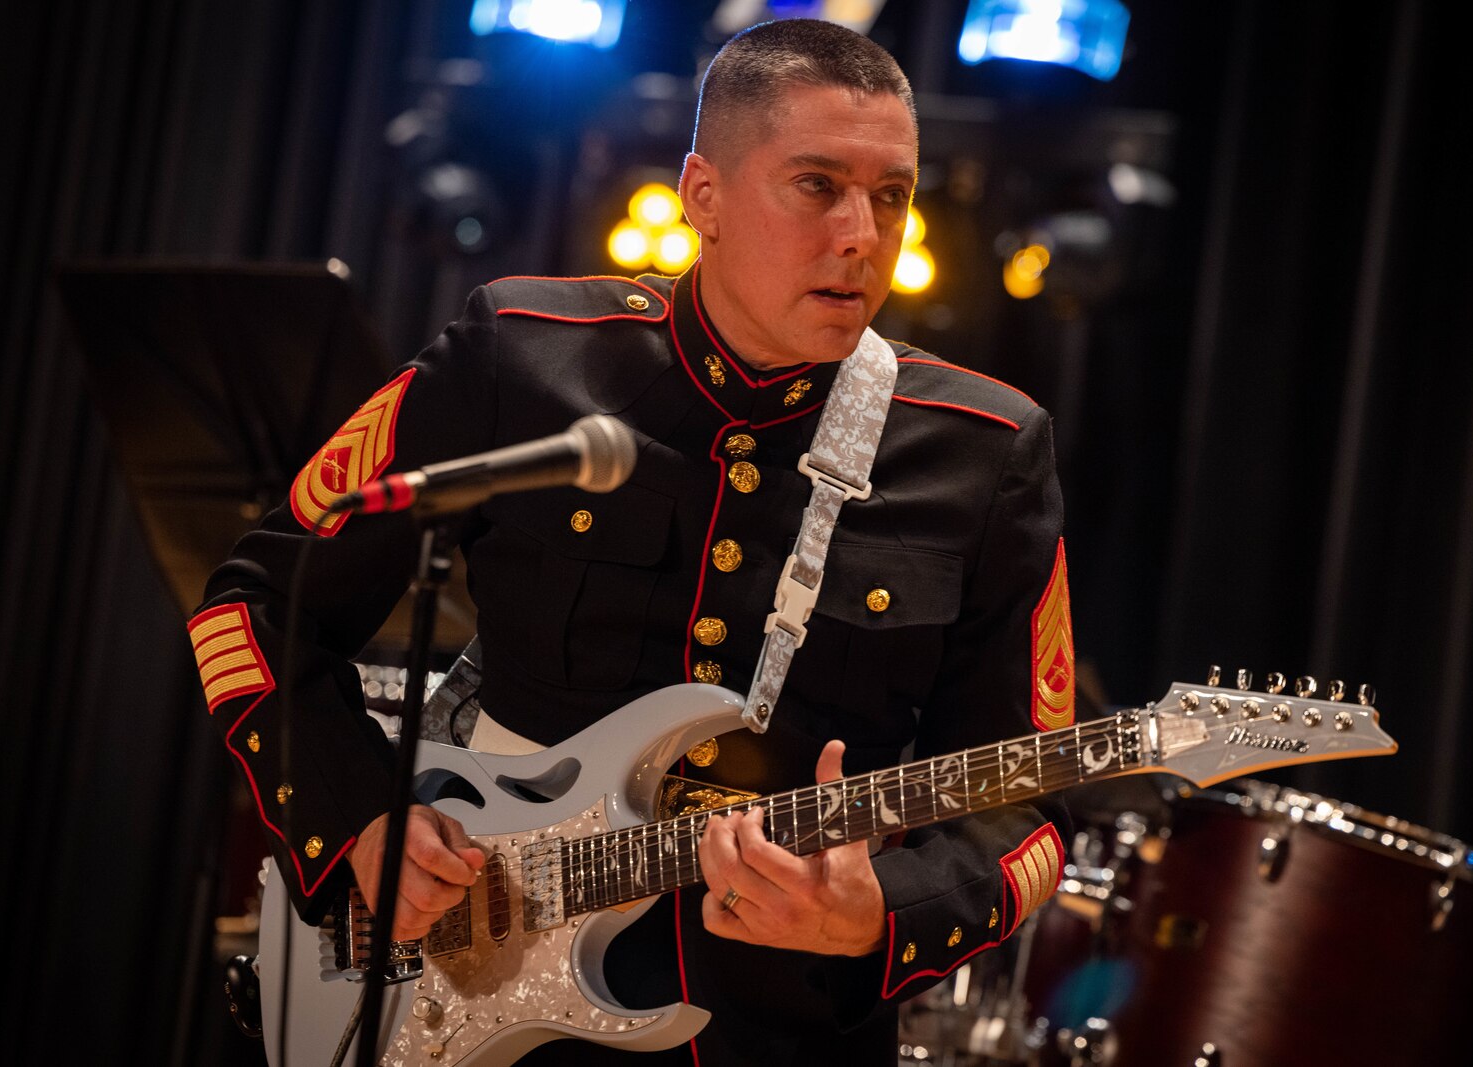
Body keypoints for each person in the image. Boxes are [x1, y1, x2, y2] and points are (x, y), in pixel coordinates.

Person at [188, 17, 1076, 1065]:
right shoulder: (522, 357)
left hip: (774, 1029)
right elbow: (253, 611)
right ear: (703, 194)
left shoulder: (984, 447)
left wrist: (878, 912)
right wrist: (357, 824)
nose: (862, 234)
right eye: (816, 185)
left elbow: (1025, 807)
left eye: (891, 196)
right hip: (464, 984)